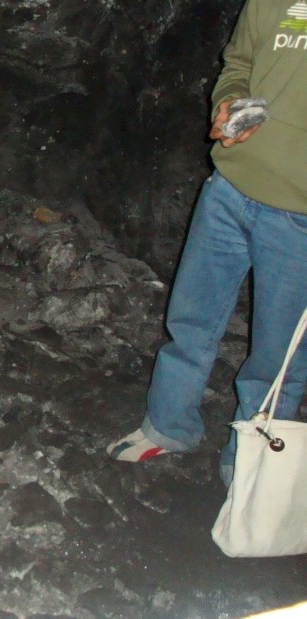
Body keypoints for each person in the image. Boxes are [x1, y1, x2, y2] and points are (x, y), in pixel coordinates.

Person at [107, 0, 307, 485]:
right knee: (190, 320)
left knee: (277, 358)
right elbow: (237, 63)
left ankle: (252, 464)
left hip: (300, 215)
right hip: (228, 188)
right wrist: (231, 99)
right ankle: (168, 426)